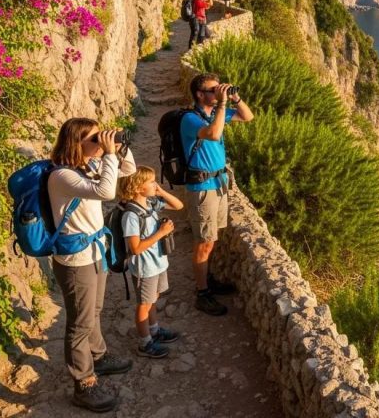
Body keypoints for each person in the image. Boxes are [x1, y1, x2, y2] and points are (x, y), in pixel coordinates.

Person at [48, 118, 136, 412]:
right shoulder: (62, 176)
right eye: (95, 137)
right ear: (77, 142)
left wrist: (119, 147)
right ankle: (83, 383)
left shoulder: (89, 166)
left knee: (95, 310)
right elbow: (106, 192)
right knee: (80, 322)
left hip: (95, 251)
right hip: (75, 260)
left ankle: (98, 356)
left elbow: (128, 171)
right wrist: (108, 154)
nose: (101, 141)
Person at [181, 73, 254, 316]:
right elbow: (213, 134)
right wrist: (222, 104)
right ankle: (202, 294)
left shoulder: (216, 113)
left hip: (218, 184)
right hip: (202, 189)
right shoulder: (190, 119)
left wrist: (234, 97)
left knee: (211, 238)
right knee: (204, 242)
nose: (217, 92)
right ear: (200, 94)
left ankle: (208, 280)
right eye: (213, 90)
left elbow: (248, 116)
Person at [116, 166, 184, 359]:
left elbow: (178, 205)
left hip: (157, 263)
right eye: (151, 182)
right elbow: (135, 248)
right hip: (145, 267)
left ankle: (153, 330)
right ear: (138, 187)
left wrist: (160, 191)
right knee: (144, 304)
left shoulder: (151, 203)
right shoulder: (131, 215)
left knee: (153, 298)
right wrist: (161, 233)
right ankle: (145, 343)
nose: (156, 184)